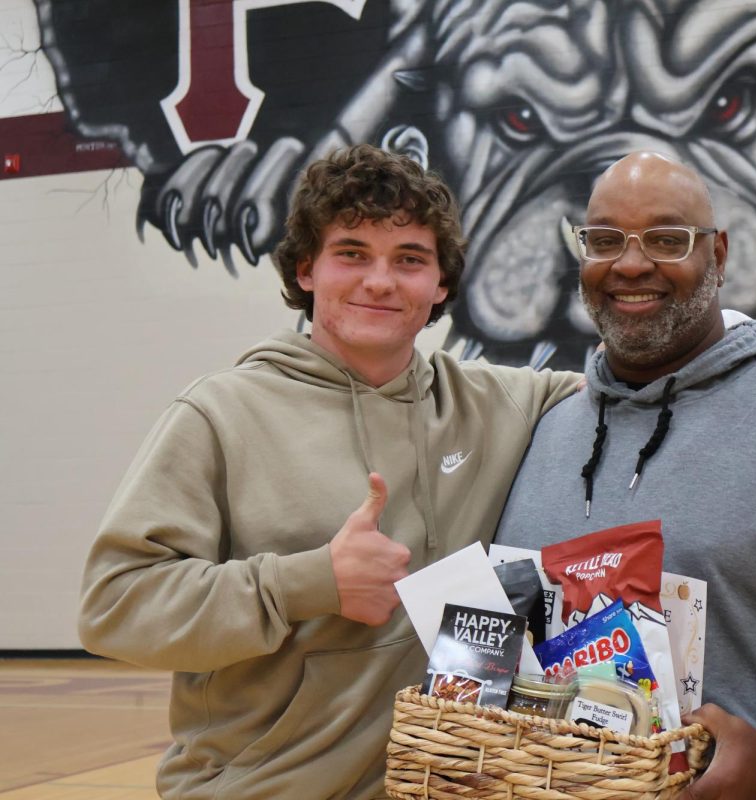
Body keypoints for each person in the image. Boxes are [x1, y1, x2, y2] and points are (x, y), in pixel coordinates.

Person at [77, 145, 583, 799]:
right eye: (352, 253)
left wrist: (754, 342)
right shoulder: (220, 414)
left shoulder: (498, 403)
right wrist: (309, 582)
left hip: (437, 784)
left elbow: (637, 380)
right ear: (305, 268)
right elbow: (114, 608)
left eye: (409, 259)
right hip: (258, 785)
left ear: (442, 285)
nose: (380, 280)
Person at [494, 151, 756, 800]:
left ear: (719, 255)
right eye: (605, 240)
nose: (632, 264)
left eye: (667, 239)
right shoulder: (546, 432)